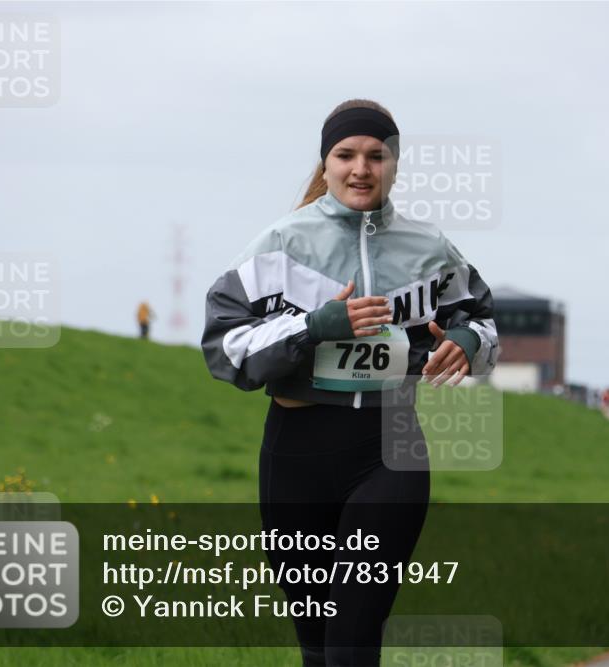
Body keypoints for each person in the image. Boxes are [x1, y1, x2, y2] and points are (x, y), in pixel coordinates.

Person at [201, 99, 499, 667]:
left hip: (391, 446)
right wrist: (312, 328)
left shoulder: (429, 247)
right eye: (346, 155)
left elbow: (481, 322)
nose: (361, 168)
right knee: (317, 643)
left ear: (394, 164)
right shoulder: (282, 243)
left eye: (376, 155)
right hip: (297, 450)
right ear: (326, 162)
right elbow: (224, 348)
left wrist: (467, 343)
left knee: (354, 635)